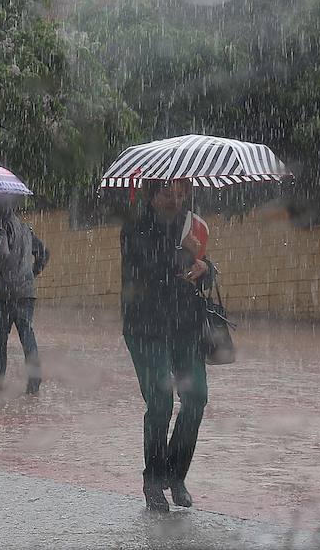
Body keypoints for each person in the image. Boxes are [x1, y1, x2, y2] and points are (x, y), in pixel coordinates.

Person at [120, 179, 213, 512]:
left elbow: (204, 266)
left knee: (196, 397)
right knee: (160, 401)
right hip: (145, 326)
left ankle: (175, 474)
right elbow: (148, 268)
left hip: (185, 325)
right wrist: (183, 251)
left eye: (180, 191)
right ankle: (154, 480)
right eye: (167, 192)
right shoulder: (135, 228)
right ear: (152, 193)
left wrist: (206, 268)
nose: (175, 198)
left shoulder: (192, 224)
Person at [0, 197, 49, 395]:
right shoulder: (25, 230)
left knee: (0, 338)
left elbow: (2, 255)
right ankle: (35, 378)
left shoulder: (1, 230)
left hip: (5, 294)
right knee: (27, 335)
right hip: (26, 293)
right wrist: (32, 273)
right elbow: (44, 253)